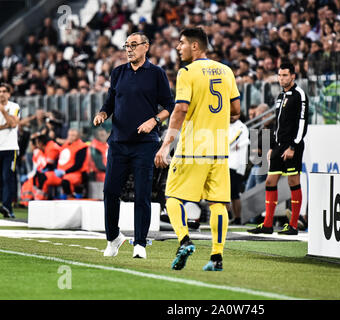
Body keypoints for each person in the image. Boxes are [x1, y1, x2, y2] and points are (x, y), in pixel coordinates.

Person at [154, 27, 241, 271]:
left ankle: (184, 241)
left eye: (181, 43)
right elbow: (236, 110)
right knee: (217, 204)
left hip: (193, 148)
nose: (178, 47)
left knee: (172, 197)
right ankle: (216, 257)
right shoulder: (226, 71)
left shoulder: (188, 72)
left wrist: (166, 145)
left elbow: (180, 109)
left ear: (195, 46)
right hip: (219, 148)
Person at [93, 32, 174, 260]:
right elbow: (110, 101)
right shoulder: (118, 72)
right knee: (110, 192)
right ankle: (113, 238)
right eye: (127, 45)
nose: (129, 49)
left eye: (134, 45)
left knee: (142, 194)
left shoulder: (157, 73)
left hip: (145, 145)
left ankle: (140, 243)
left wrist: (155, 120)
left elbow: (169, 105)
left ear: (146, 47)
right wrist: (102, 114)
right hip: (118, 142)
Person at [248, 61, 308, 236]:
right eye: (280, 75)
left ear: (293, 76)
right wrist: (272, 146)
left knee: (293, 182)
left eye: (285, 75)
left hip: (292, 146)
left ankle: (294, 226)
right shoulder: (280, 96)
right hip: (278, 146)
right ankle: (267, 224)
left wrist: (293, 146)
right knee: (269, 182)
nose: (281, 79)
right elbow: (278, 124)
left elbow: (303, 123)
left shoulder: (299, 95)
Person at [0, 83, 20, 218]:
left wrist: (3, 111)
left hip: (10, 148)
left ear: (9, 94)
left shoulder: (14, 107)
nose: (2, 94)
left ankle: (7, 207)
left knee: (7, 178)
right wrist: (5, 125)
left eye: (4, 91)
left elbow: (14, 124)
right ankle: (5, 204)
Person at [35, 129, 88, 200]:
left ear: (78, 136)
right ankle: (41, 200)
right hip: (60, 173)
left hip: (74, 174)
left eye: (73, 135)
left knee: (65, 182)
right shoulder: (65, 145)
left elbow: (78, 165)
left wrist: (65, 172)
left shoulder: (81, 147)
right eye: (70, 135)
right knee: (43, 177)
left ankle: (70, 198)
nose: (71, 137)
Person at [227, 113, 250, 225]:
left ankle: (237, 218)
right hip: (227, 163)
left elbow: (231, 144)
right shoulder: (226, 125)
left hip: (236, 165)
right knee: (229, 192)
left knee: (234, 192)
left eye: (234, 114)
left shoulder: (241, 127)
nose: (231, 116)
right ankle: (233, 217)